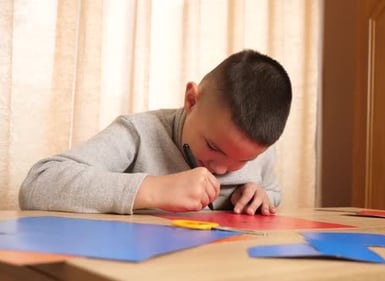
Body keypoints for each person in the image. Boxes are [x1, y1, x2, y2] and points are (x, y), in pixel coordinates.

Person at [19, 49, 292, 216]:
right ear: (191, 101)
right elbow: (38, 184)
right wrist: (152, 189)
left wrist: (262, 196)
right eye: (213, 146)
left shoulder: (260, 152)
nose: (221, 169)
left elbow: (272, 191)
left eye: (241, 161)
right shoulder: (139, 133)